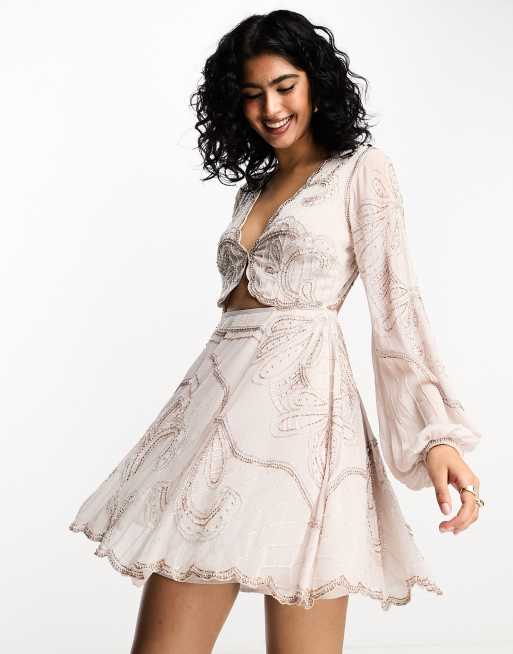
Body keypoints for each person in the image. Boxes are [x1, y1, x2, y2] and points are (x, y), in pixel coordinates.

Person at [68, 10, 484, 654]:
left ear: (315, 82)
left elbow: (397, 306)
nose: (271, 108)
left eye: (285, 86)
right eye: (253, 93)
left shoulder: (362, 171)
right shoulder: (253, 188)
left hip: (304, 424)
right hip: (213, 420)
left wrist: (436, 436)